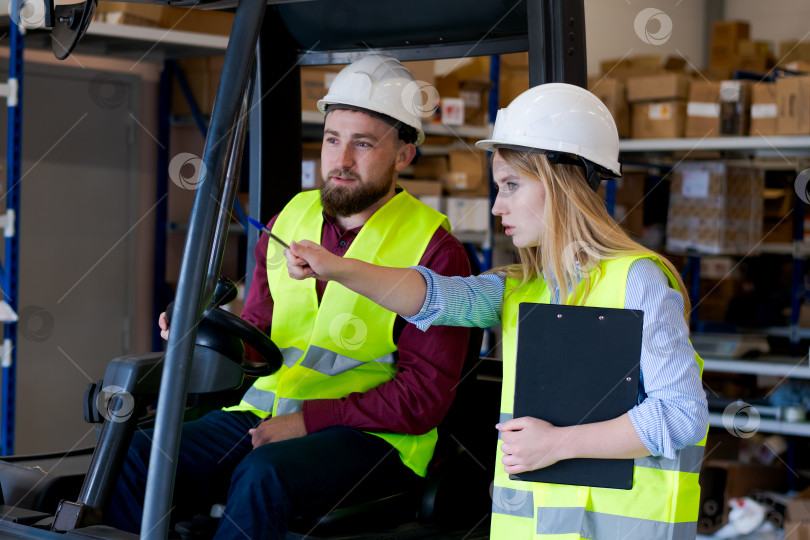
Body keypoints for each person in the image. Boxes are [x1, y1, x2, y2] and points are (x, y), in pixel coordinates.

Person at [286, 83, 710, 540]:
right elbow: (437, 297)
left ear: (558, 184)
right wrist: (338, 268)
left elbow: (683, 413)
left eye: (511, 185)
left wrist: (556, 444)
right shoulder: (522, 287)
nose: (496, 205)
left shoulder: (636, 281)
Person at [104, 54, 472, 539]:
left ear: (403, 155)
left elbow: (423, 399)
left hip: (374, 438)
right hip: (270, 413)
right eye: (332, 139)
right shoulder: (287, 222)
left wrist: (310, 420)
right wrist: (205, 334)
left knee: (265, 474)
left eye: (363, 144)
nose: (340, 161)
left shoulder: (436, 251)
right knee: (136, 450)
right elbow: (258, 341)